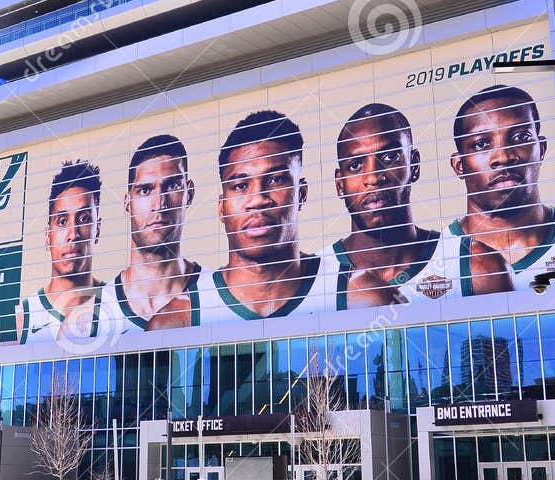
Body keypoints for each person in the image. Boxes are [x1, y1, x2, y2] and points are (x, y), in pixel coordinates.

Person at [197, 110, 328, 321]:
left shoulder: (362, 297)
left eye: (275, 180)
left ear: (301, 194)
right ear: (221, 208)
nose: (258, 199)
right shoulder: (178, 320)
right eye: (240, 185)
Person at [439, 84, 555, 295]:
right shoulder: (436, 257)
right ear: (459, 165)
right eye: (481, 144)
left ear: (542, 149)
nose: (504, 157)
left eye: (520, 138)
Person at [325, 102, 451, 307]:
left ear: (414, 165)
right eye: (355, 165)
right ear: (340, 185)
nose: (373, 177)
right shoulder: (315, 277)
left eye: (390, 157)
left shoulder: (471, 262)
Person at [106, 134, 203, 330]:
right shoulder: (90, 317)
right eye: (145, 190)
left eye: (172, 186)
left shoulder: (215, 298)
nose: (159, 204)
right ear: (128, 203)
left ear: (189, 194)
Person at [19, 160, 111, 343]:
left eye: (84, 218)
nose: (73, 234)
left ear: (97, 229)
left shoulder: (117, 306)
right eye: (62, 221)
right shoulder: (21, 321)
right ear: (48, 236)